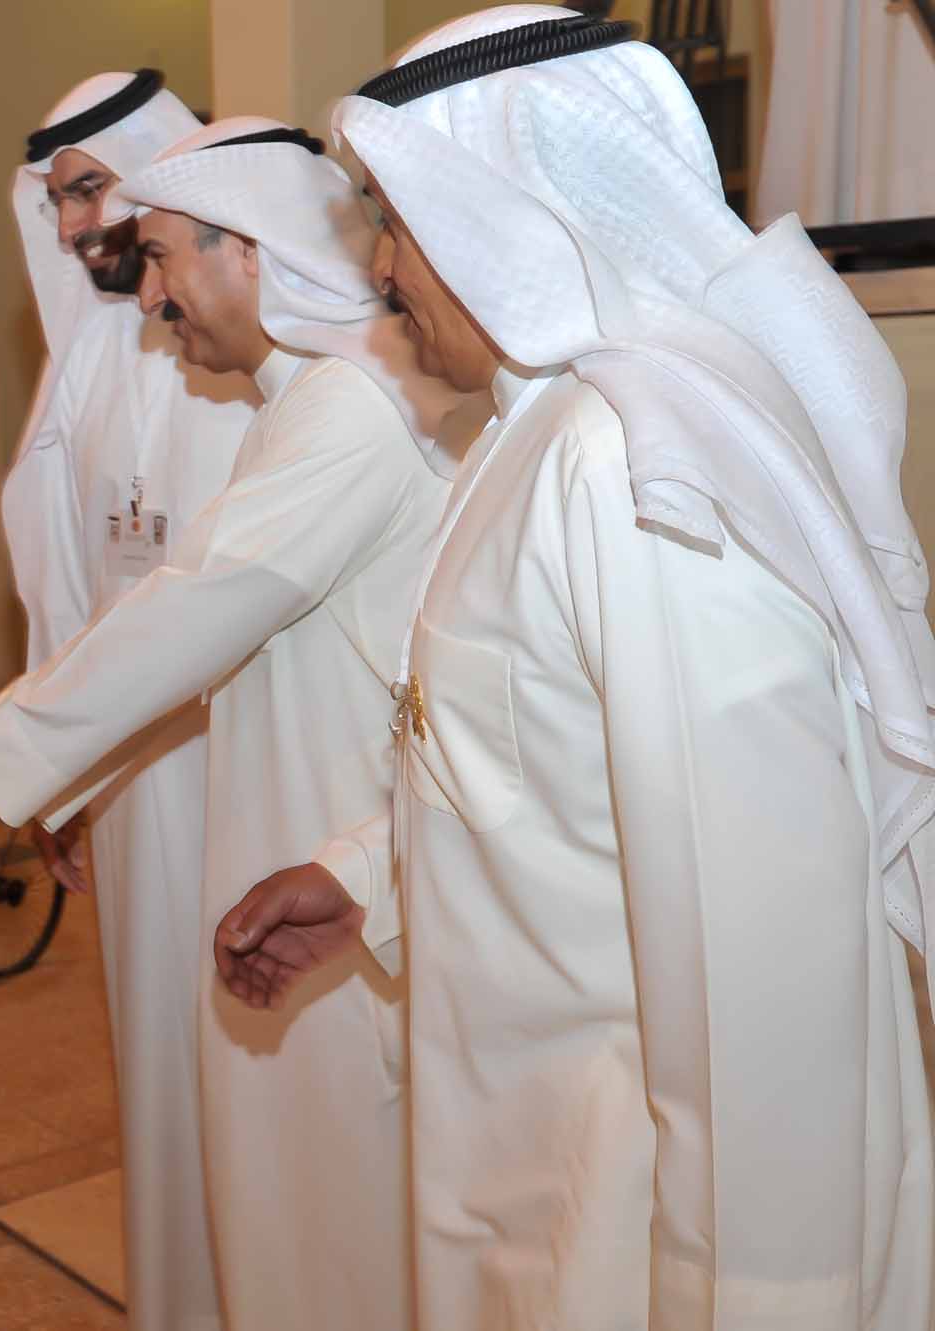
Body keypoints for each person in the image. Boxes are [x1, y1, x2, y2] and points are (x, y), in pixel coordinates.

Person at [219, 9, 935, 1326]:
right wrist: (369, 876)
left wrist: (761, 1299)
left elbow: (755, 972)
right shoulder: (533, 431)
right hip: (534, 1160)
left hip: (644, 1225)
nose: (380, 265)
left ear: (506, 213)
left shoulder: (633, 473)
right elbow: (550, 766)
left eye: (397, 217)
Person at [0, 117, 468, 1330]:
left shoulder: (349, 409)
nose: (147, 299)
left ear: (246, 249)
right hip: (306, 859)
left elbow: (191, 610)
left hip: (345, 878)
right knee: (284, 1216)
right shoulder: (306, 401)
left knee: (336, 1233)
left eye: (161, 257)